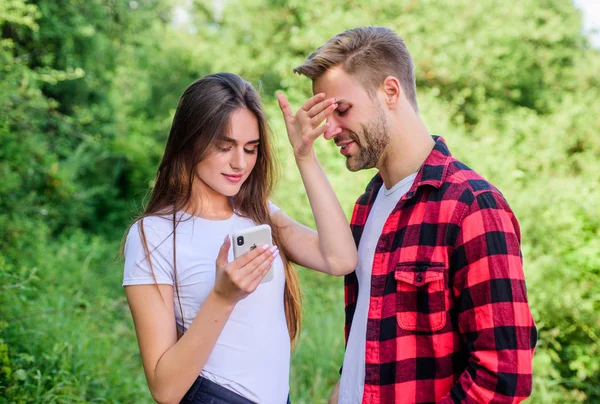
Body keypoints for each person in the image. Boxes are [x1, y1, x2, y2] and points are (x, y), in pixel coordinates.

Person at [292, 27, 538, 403]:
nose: (330, 131)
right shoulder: (367, 206)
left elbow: (502, 376)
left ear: (390, 91)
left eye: (341, 110)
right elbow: (371, 341)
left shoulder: (472, 206)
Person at [122, 72, 357, 404]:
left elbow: (340, 259)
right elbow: (166, 389)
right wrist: (223, 296)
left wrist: (304, 155)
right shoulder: (153, 235)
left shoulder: (260, 212)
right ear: (190, 143)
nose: (240, 163)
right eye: (225, 147)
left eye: (251, 149)